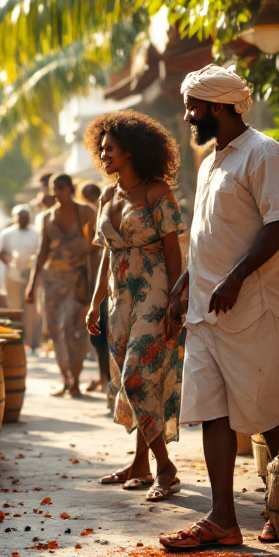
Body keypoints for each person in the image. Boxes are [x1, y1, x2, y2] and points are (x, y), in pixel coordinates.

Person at [159, 65, 279, 550]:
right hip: (205, 312)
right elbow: (206, 240)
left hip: (253, 307)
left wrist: (237, 277)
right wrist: (183, 288)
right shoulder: (210, 162)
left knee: (269, 412)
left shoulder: (264, 154)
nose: (187, 115)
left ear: (217, 107)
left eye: (193, 106)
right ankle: (222, 518)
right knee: (212, 411)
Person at [82, 115, 184, 499]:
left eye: (110, 148)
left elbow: (174, 251)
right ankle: (140, 464)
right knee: (132, 376)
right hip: (118, 296)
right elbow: (107, 256)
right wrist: (95, 304)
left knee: (136, 376)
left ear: (130, 150)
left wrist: (176, 299)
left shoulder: (158, 192)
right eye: (101, 148)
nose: (103, 154)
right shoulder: (106, 197)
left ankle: (166, 467)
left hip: (154, 291)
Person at [28, 174, 96, 397]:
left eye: (61, 188)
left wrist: (93, 279)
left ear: (70, 188)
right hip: (52, 282)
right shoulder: (47, 217)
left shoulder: (85, 212)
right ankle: (66, 378)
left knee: (74, 330)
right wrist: (31, 285)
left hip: (78, 280)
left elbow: (98, 245)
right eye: (53, 188)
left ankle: (75, 379)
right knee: (56, 331)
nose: (57, 192)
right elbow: (42, 252)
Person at [0, 204, 42, 347]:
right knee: (14, 307)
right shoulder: (7, 234)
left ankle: (32, 341)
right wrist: (7, 259)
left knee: (31, 309)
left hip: (32, 276)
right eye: (20, 217)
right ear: (15, 218)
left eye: (26, 217)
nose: (23, 220)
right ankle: (17, 340)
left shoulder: (37, 234)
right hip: (13, 276)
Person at [80, 182, 111, 395]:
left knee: (107, 335)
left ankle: (108, 381)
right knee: (98, 336)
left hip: (110, 284)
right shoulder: (88, 221)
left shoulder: (108, 214)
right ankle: (104, 380)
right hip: (94, 283)